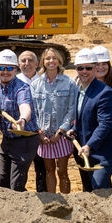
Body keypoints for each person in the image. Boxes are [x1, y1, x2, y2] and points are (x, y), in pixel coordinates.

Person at [0, 49, 40, 191]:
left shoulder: (22, 88)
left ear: (15, 69)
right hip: (8, 140)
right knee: (3, 183)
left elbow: (25, 107)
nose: (5, 71)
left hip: (25, 140)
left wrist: (22, 119)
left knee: (16, 185)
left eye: (9, 68)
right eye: (2, 68)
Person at [71, 49, 112, 191]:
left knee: (99, 187)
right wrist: (74, 129)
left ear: (95, 68)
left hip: (104, 151)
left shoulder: (105, 93)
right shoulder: (79, 89)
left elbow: (105, 124)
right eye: (80, 68)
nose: (84, 71)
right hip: (87, 150)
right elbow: (83, 117)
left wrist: (89, 145)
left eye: (88, 68)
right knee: (89, 188)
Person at [31, 47, 76, 193]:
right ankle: (53, 201)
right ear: (43, 61)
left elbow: (72, 109)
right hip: (44, 135)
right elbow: (34, 111)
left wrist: (61, 131)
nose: (51, 61)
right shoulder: (36, 84)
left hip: (61, 135)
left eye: (54, 58)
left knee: (62, 171)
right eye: (48, 58)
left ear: (59, 61)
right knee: (49, 170)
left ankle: (66, 201)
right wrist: (40, 133)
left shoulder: (68, 83)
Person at [16, 50, 47, 190]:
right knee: (21, 167)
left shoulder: (45, 81)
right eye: (23, 61)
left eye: (30, 61)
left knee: (42, 167)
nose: (26, 64)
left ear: (37, 64)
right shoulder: (14, 80)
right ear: (18, 64)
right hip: (22, 132)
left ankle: (42, 193)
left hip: (41, 130)